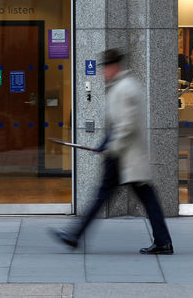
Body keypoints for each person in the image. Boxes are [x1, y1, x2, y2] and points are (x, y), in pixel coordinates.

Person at [52, 48, 173, 255]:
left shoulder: (125, 89)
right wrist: (106, 143)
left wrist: (111, 147)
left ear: (114, 67)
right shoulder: (121, 87)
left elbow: (126, 126)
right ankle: (162, 242)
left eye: (104, 69)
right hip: (125, 155)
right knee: (138, 198)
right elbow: (118, 126)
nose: (102, 73)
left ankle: (75, 236)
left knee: (104, 196)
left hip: (125, 157)